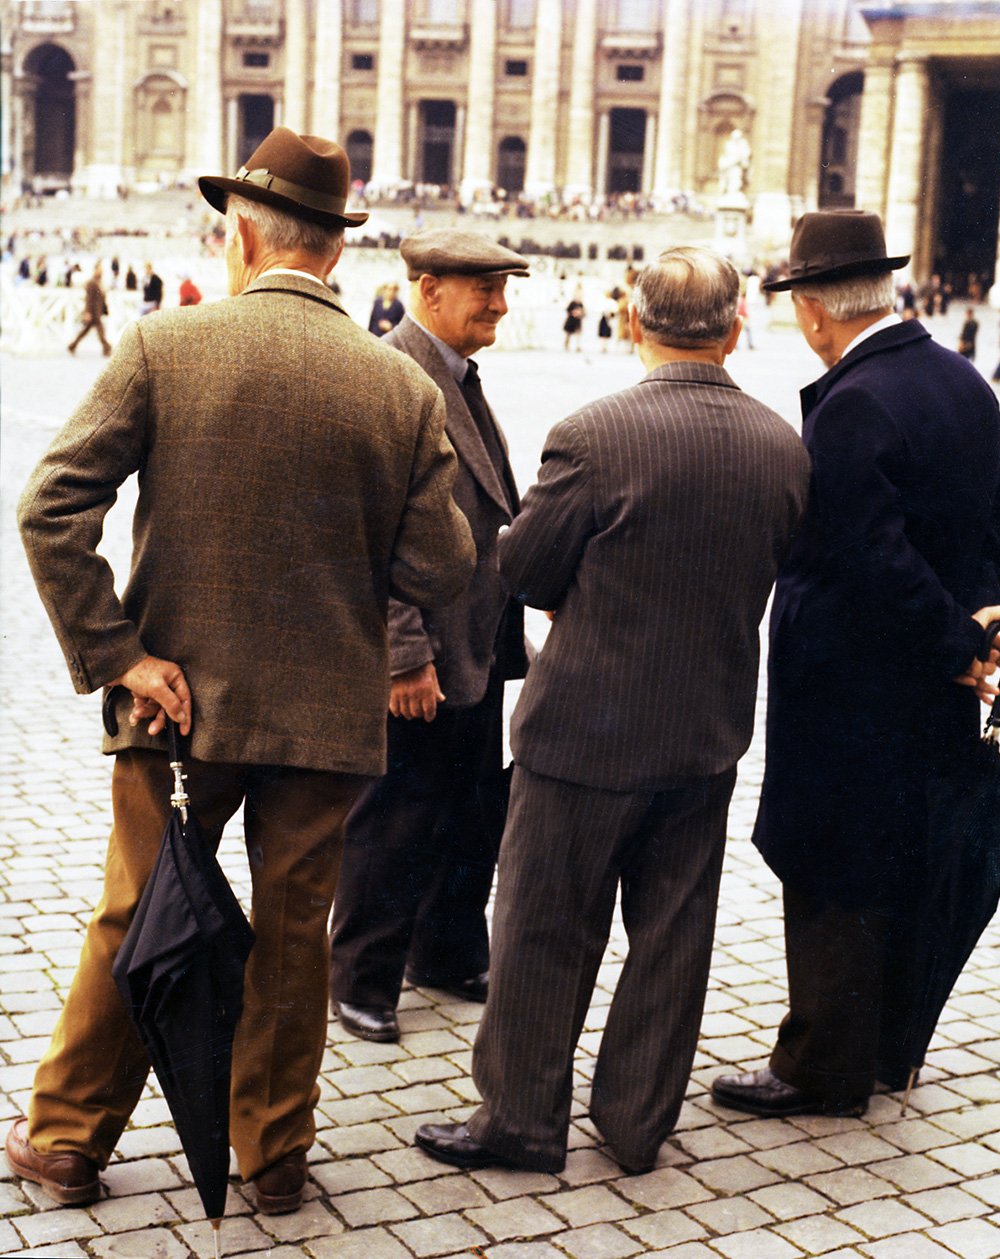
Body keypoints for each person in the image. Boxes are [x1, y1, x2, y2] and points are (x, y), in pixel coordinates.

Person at [6, 128, 474, 1216]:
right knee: (294, 930)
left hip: (177, 705)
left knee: (136, 910)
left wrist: (118, 650)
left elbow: (50, 507)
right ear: (334, 252)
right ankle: (271, 1157)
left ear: (241, 234)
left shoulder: (168, 345)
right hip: (324, 712)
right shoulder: (398, 386)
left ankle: (71, 1138)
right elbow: (442, 565)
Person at [413, 246, 811, 1175]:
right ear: (735, 326)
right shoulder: (781, 447)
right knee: (672, 940)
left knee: (545, 928)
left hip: (583, 729)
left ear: (633, 322)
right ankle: (636, 1122)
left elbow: (526, 569)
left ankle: (520, 1116)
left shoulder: (592, 434)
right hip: (705, 728)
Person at [711, 210, 1000, 1120]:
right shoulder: (959, 378)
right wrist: (983, 630)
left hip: (856, 683)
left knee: (833, 860)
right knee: (902, 851)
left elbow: (873, 560)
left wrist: (962, 645)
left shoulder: (854, 401)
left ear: (813, 309)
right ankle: (890, 1045)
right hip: (932, 682)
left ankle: (823, 1065)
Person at [328, 229, 530, 1044]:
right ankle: (362, 974)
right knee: (397, 818)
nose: (499, 303)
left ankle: (444, 948)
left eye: (502, 287)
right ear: (427, 286)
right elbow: (367, 531)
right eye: (482, 287)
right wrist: (403, 652)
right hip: (424, 655)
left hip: (475, 644)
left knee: (470, 807)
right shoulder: (392, 372)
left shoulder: (456, 372)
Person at [67, 263, 112, 357]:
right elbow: (89, 299)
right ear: (95, 270)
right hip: (93, 311)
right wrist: (87, 312)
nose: (101, 271)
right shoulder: (92, 283)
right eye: (99, 269)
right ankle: (106, 347)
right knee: (99, 330)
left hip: (98, 311)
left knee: (87, 330)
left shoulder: (99, 282)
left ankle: (73, 345)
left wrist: (105, 310)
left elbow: (102, 298)